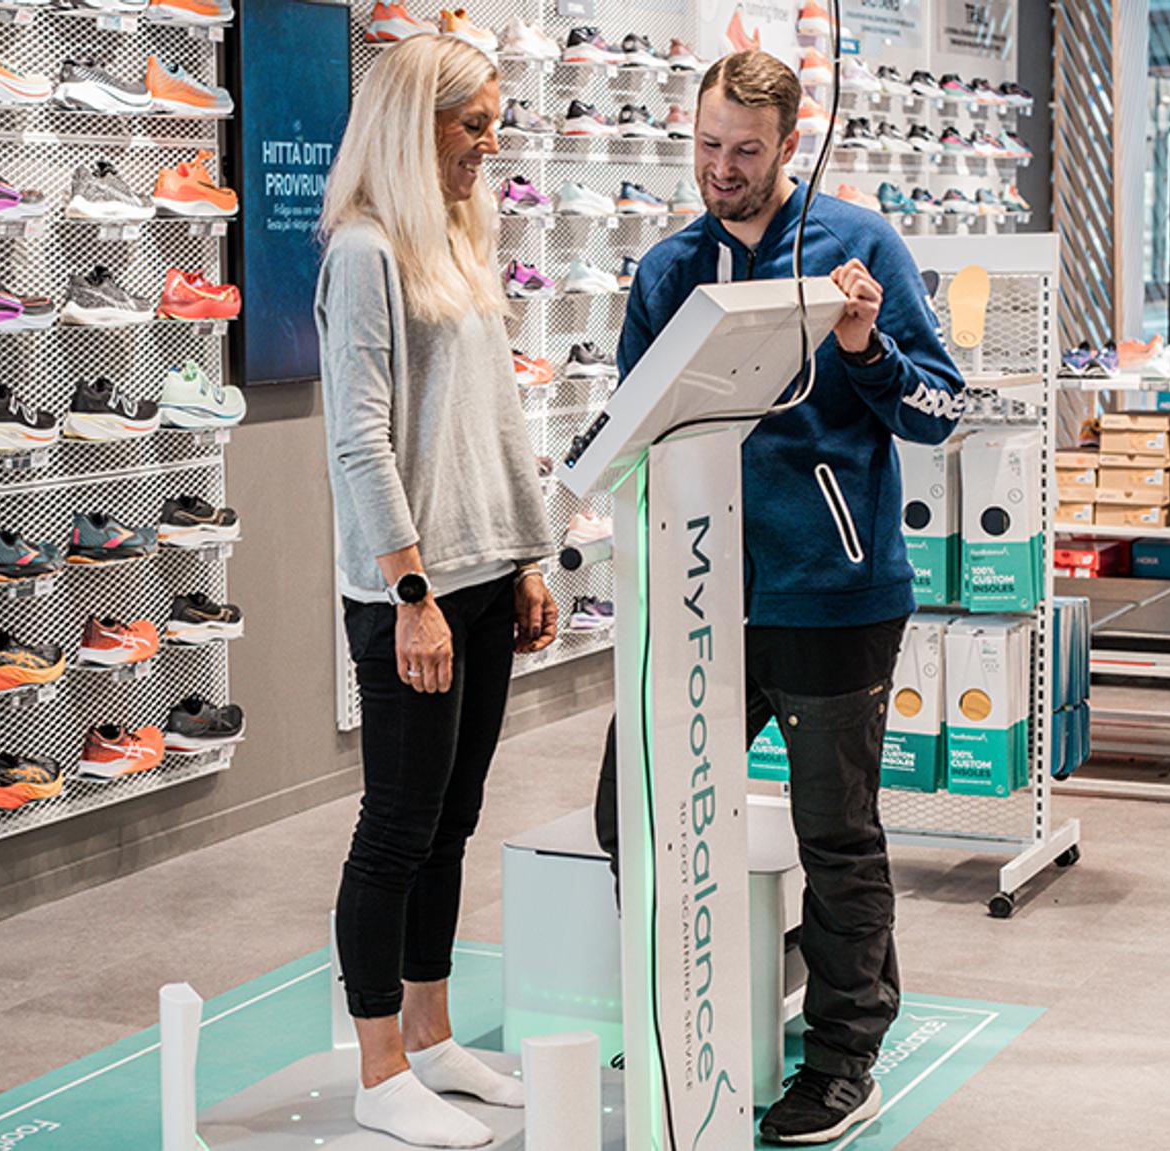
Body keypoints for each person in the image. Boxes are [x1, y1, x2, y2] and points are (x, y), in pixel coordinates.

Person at [594, 50, 967, 1145]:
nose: (719, 168)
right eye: (705, 146)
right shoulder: (667, 269)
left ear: (787, 144)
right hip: (696, 599)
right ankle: (686, 999)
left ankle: (846, 1051)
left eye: (743, 151)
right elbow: (629, 422)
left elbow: (939, 407)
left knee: (834, 834)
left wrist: (863, 347)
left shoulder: (861, 244)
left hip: (833, 593)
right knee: (638, 806)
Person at [315, 33, 560, 1151]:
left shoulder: (461, 235)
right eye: (474, 125)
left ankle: (431, 1033)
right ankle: (377, 1066)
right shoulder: (362, 250)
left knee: (451, 823)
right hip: (409, 589)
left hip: (478, 572)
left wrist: (525, 552)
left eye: (493, 123)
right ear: (416, 128)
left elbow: (495, 418)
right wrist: (407, 588)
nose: (488, 145)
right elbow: (359, 439)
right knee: (395, 828)